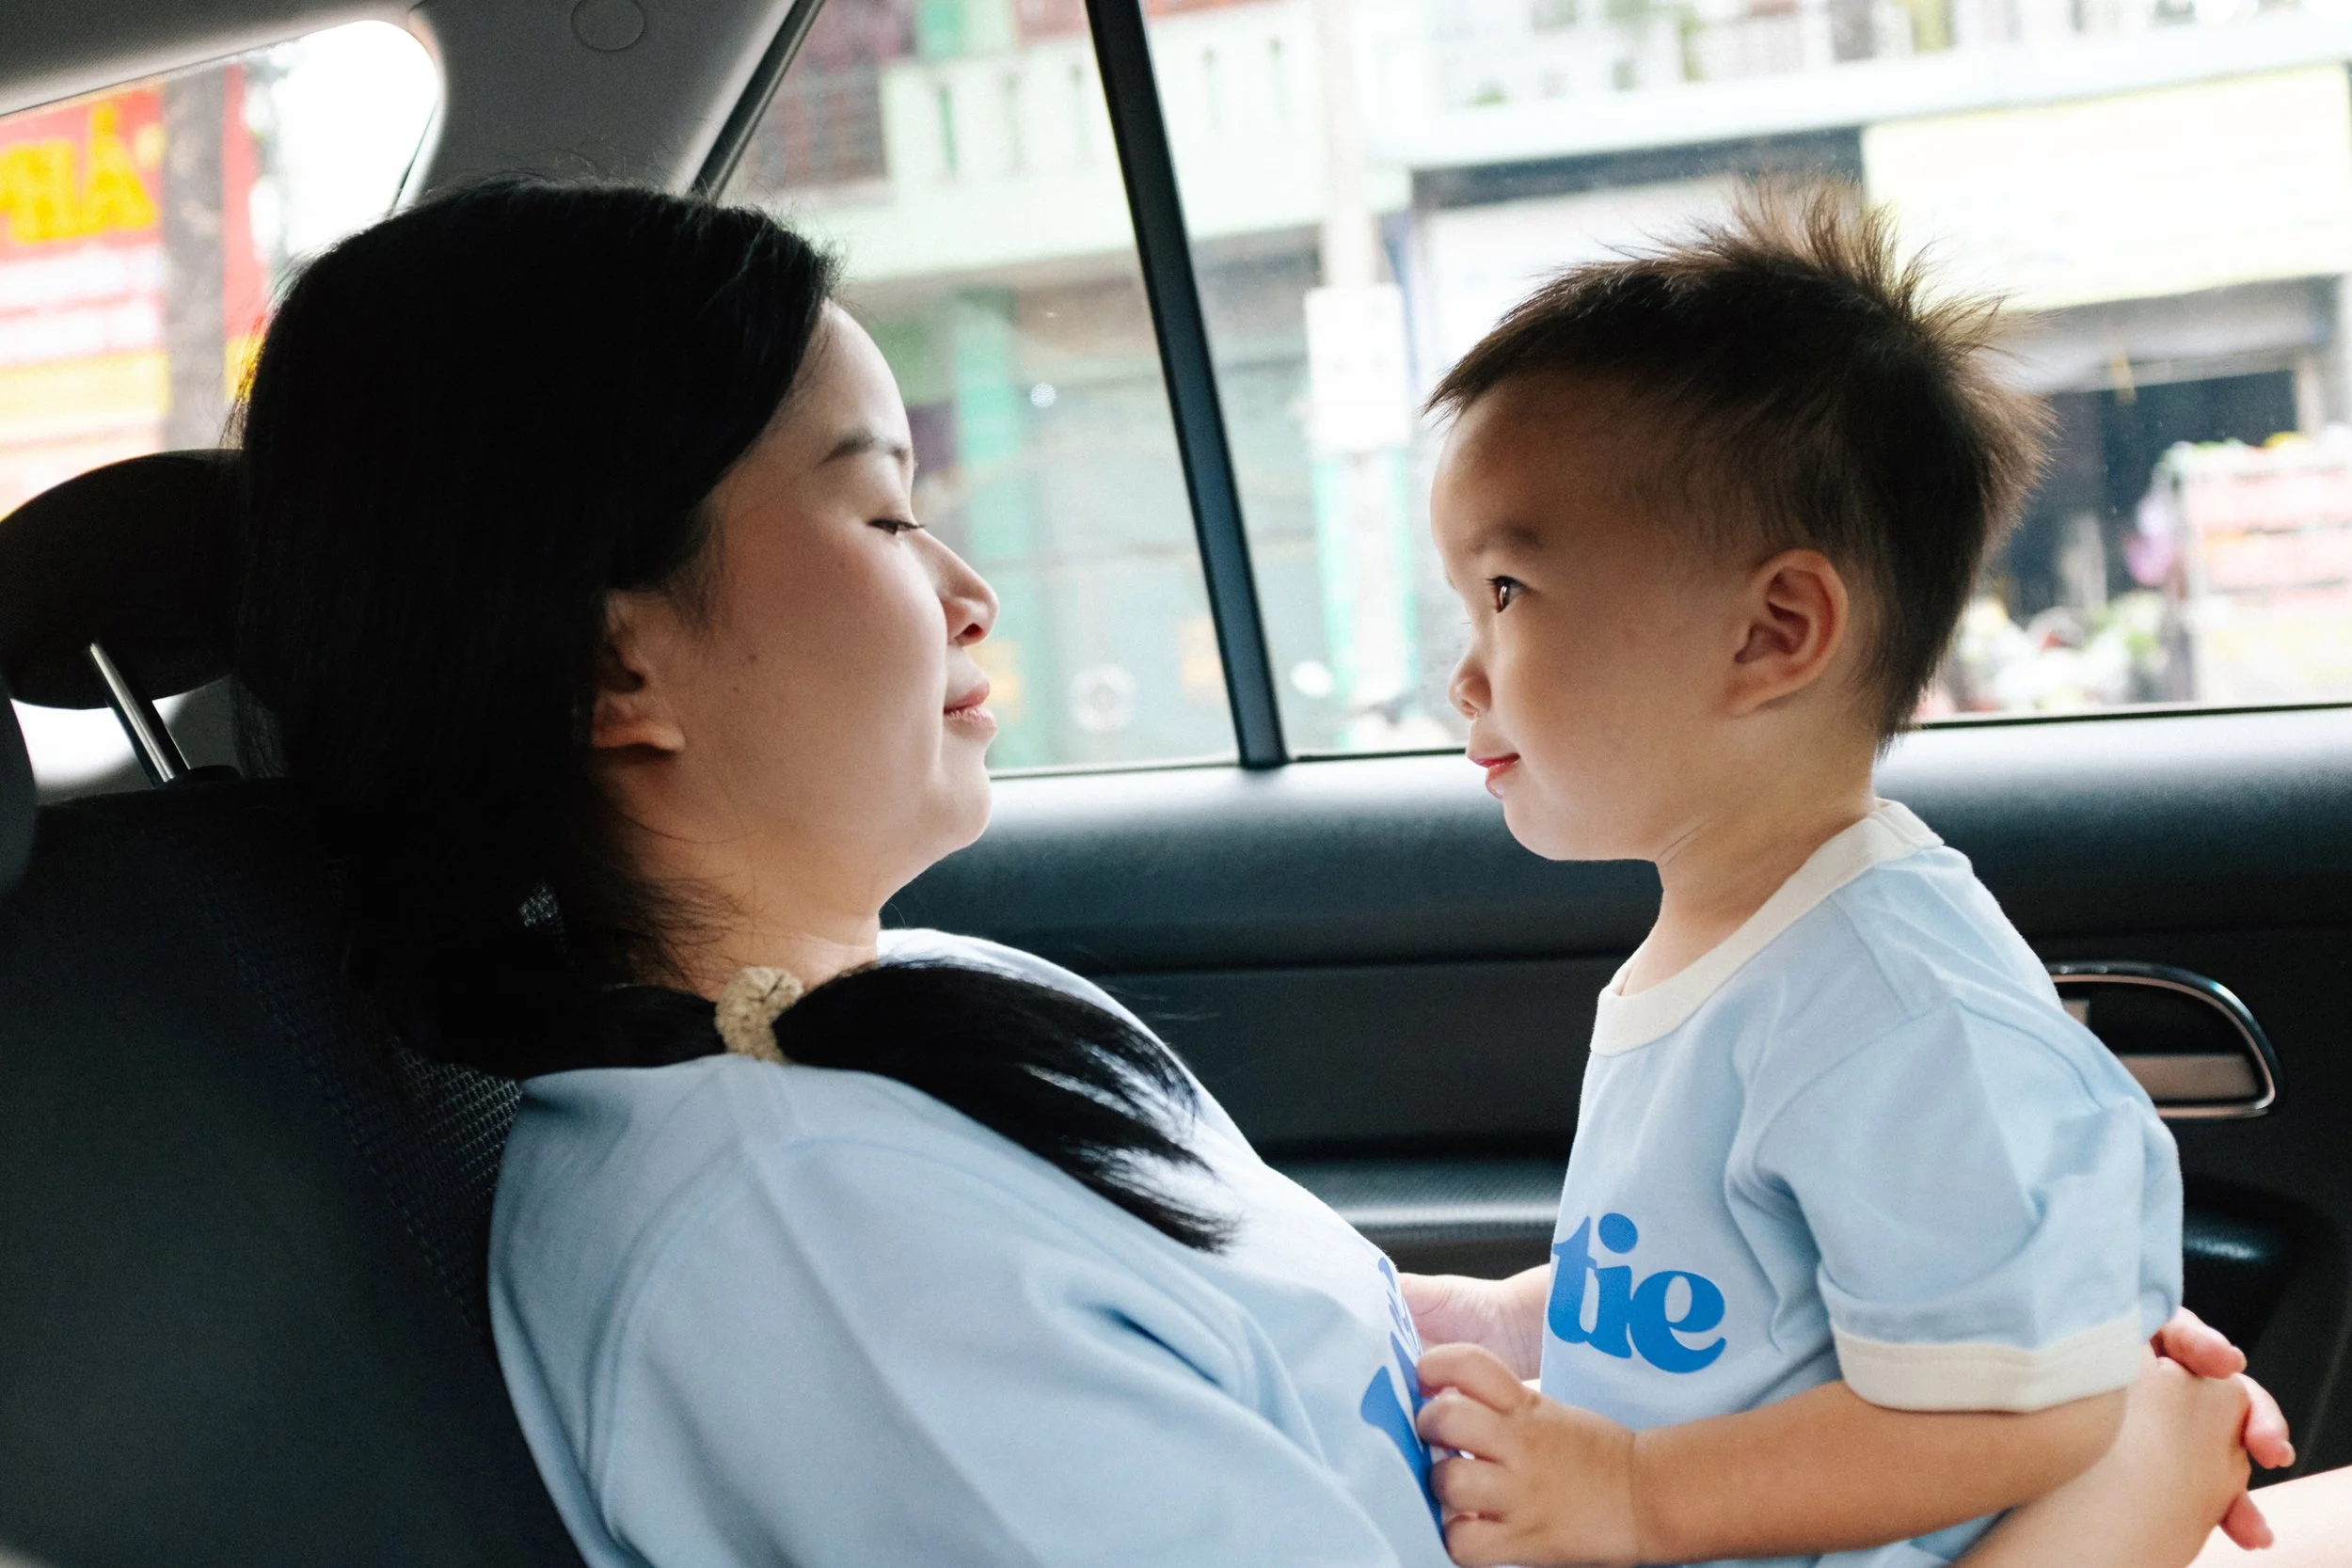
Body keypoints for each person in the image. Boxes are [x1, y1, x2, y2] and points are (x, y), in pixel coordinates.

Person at [229, 175, 2268, 1568]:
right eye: (874, 514)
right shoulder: (806, 1267)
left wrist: (1969, 1377)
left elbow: (1349, 1346)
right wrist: (2090, 1502)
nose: (963, 589)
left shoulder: (937, 1017)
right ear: (613, 655)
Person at [1399, 186, 2288, 1568]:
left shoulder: (1890, 1001)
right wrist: (1518, 1324)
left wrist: (1636, 1487)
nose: (1463, 669)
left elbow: (2023, 1415)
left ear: (1774, 631)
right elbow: (1727, 1306)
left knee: (2156, 1425)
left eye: (1507, 591)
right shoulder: (1730, 943)